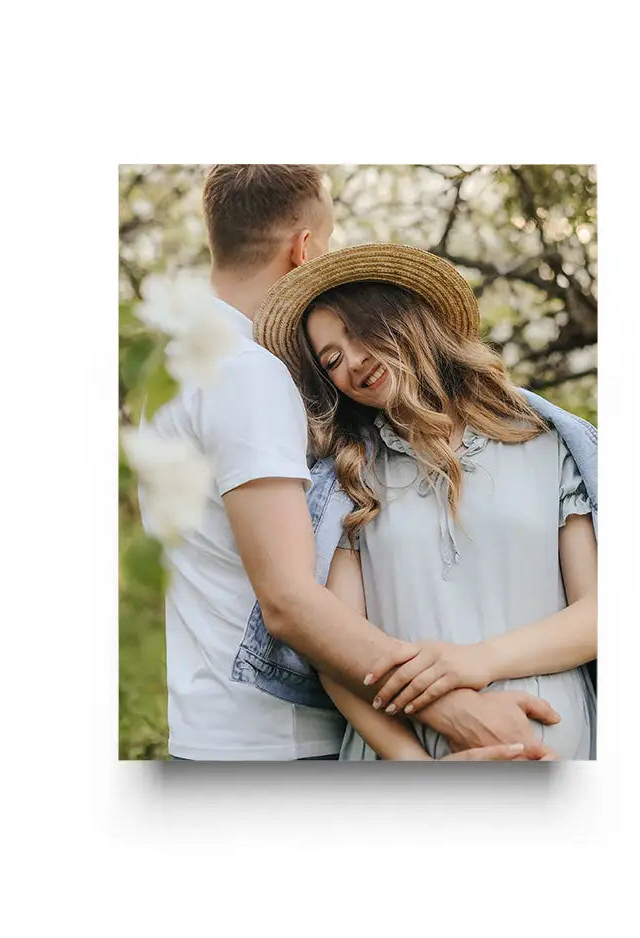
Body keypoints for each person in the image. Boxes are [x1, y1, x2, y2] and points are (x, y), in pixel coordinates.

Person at [141, 165, 560, 760]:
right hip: (276, 742)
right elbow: (290, 602)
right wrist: (455, 709)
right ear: (304, 248)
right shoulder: (247, 375)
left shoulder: (167, 374)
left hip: (205, 728)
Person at [253, 242, 598, 759]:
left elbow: (600, 614)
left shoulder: (546, 443)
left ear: (406, 319)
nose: (352, 363)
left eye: (358, 333)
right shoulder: (350, 480)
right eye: (332, 359)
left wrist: (480, 661)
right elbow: (336, 657)